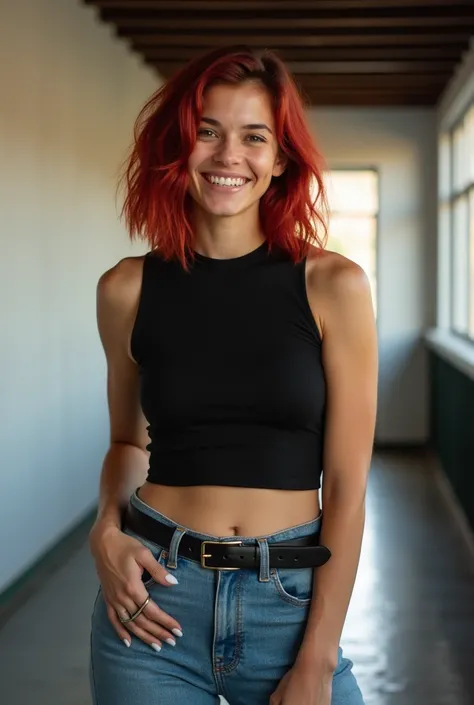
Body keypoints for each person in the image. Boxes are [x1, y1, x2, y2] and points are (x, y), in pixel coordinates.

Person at [88, 45, 378, 705]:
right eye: (207, 132)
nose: (227, 156)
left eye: (254, 137)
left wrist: (317, 656)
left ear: (279, 160)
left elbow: (349, 485)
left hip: (290, 603)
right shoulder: (126, 290)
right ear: (179, 146)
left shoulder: (333, 286)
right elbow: (128, 444)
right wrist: (106, 529)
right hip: (154, 598)